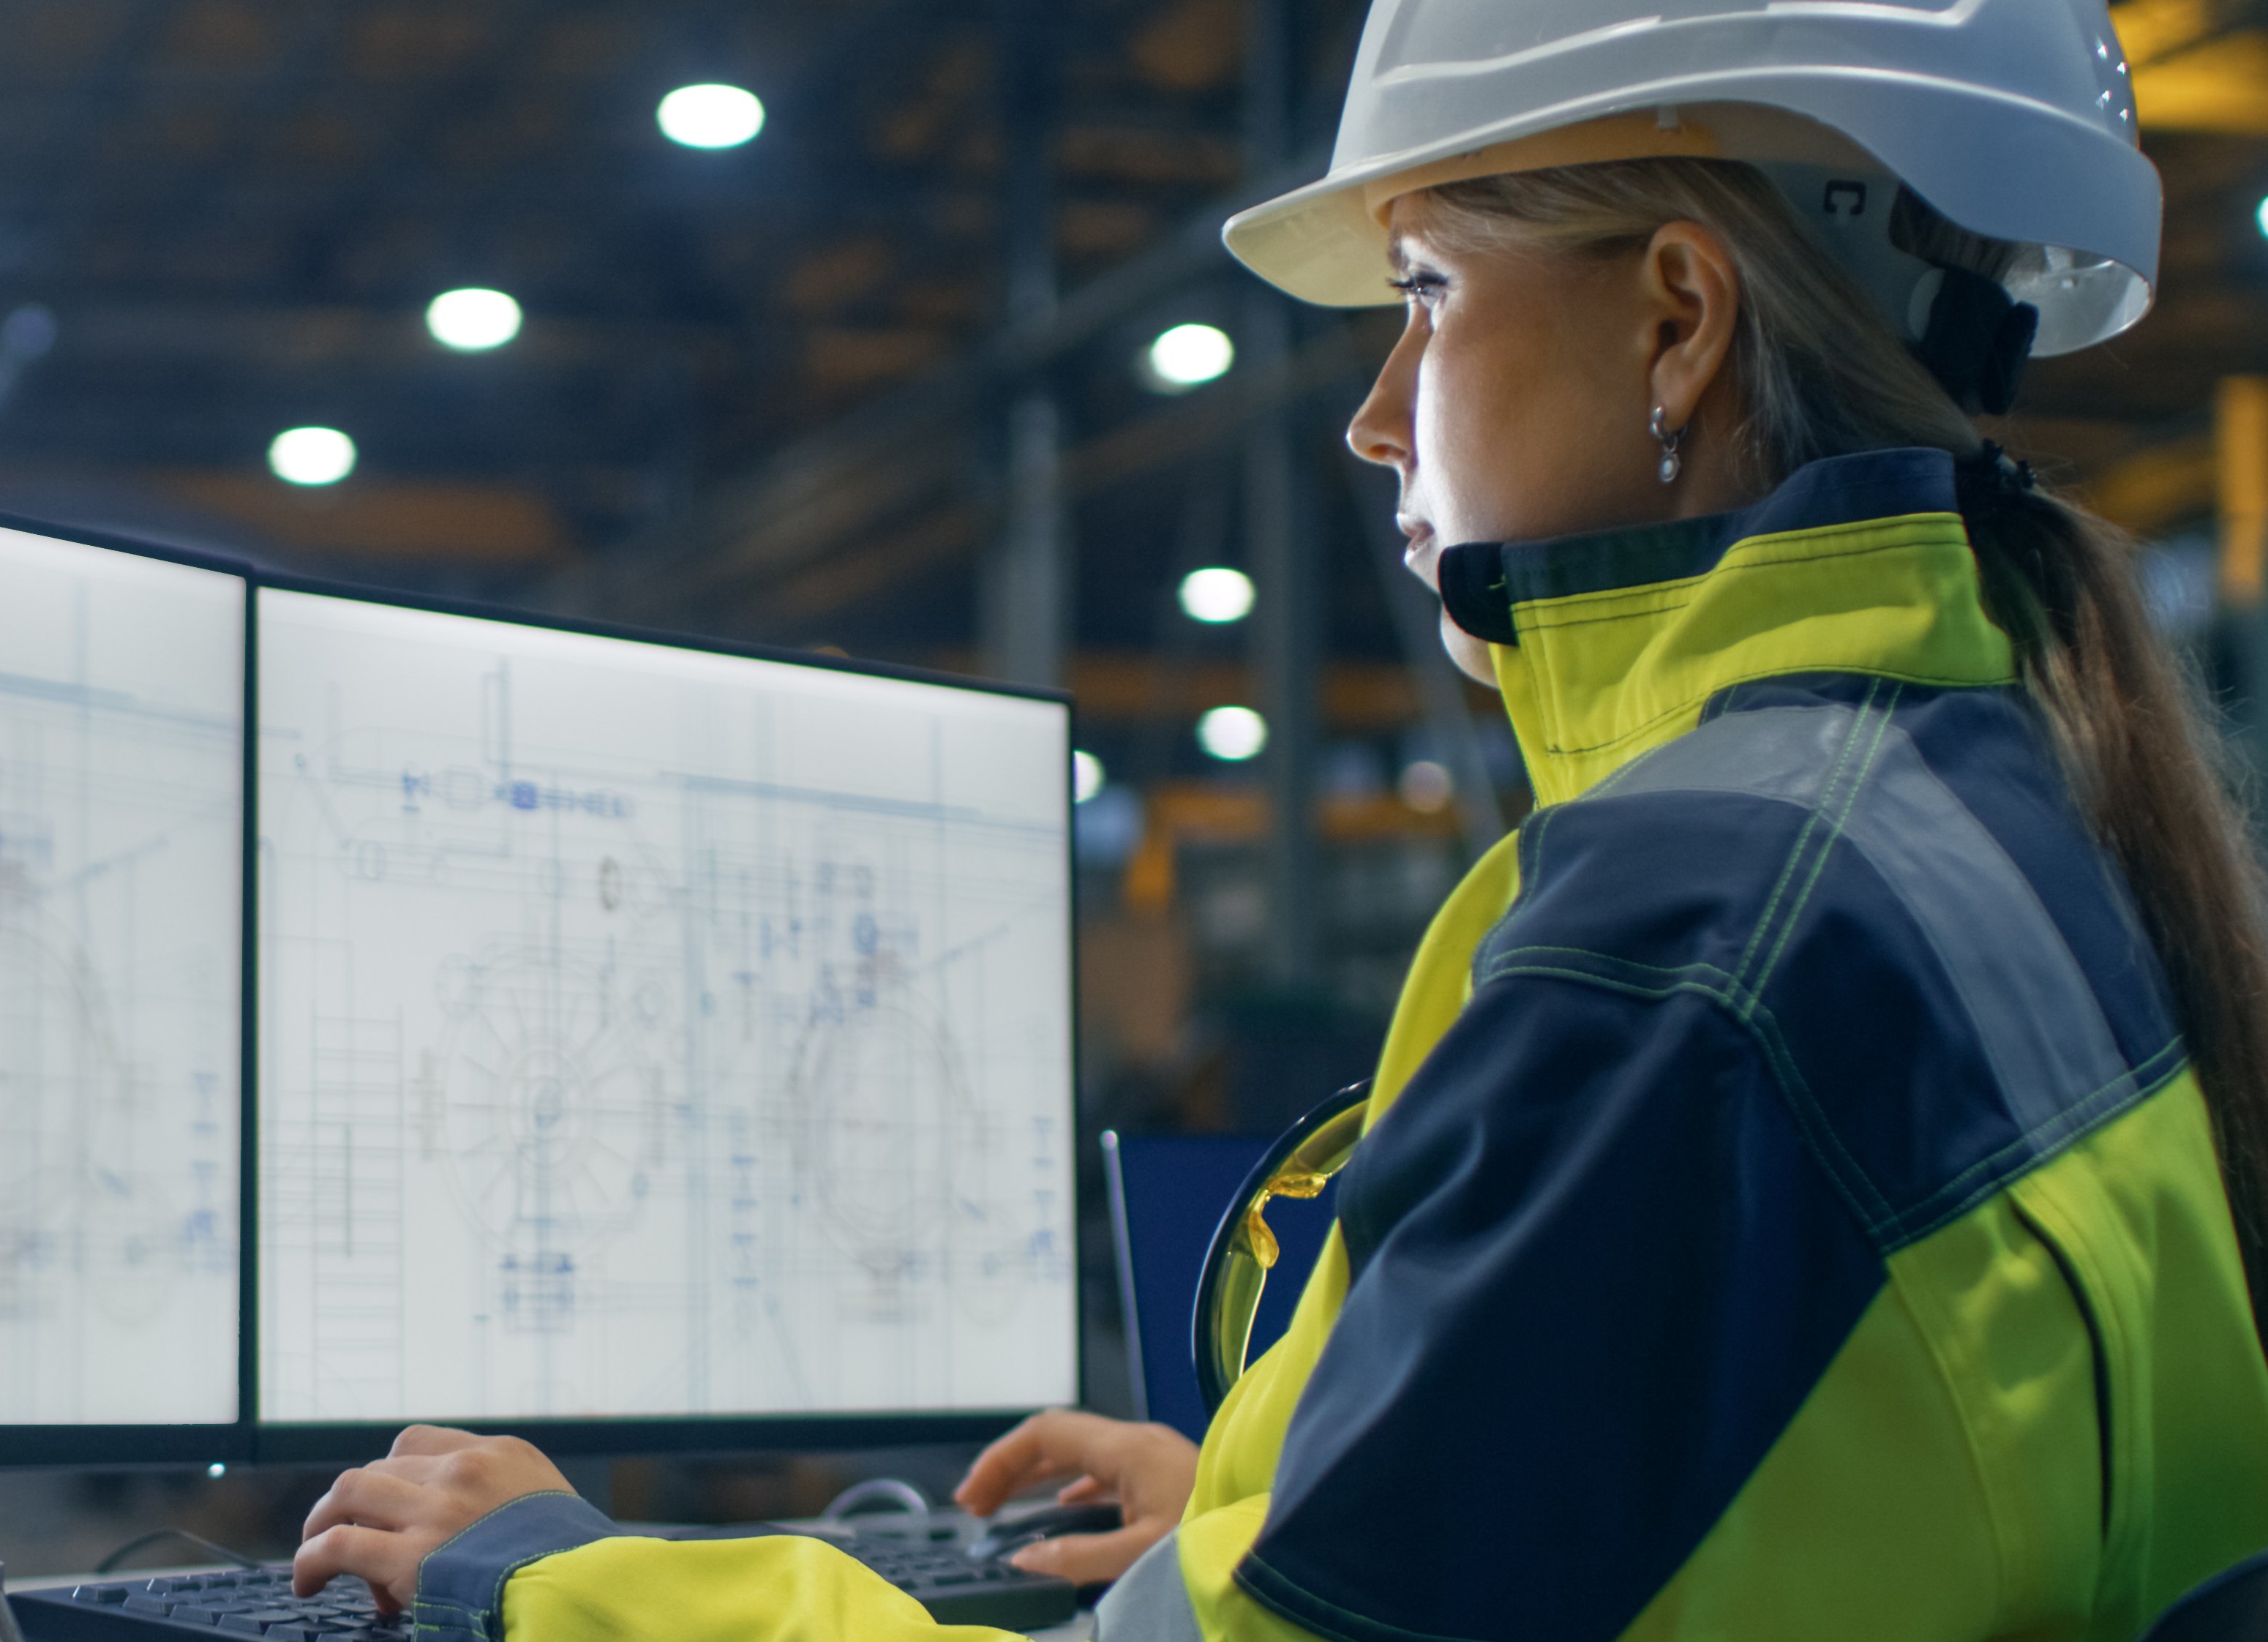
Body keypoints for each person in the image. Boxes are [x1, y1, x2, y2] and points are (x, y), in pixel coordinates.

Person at [290, 0, 2268, 1635]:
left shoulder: (1700, 936)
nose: (1379, 406)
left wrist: (555, 1583)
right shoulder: (1983, 796)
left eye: (1425, 288)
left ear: (1679, 317)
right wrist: (1287, 1490)